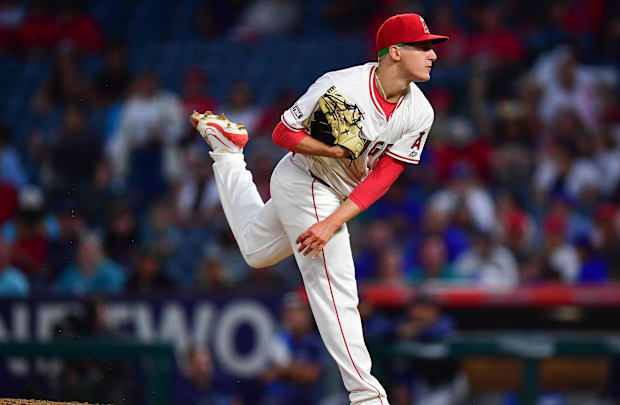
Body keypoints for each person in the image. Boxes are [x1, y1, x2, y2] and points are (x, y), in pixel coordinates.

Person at [190, 13, 448, 405]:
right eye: (424, 46)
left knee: (255, 252)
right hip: (307, 178)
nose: (432, 55)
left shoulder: (420, 111)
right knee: (337, 287)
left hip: (334, 193)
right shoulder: (340, 87)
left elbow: (383, 178)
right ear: (395, 52)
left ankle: (227, 153)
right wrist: (332, 150)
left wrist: (332, 221)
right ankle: (368, 397)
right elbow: (282, 133)